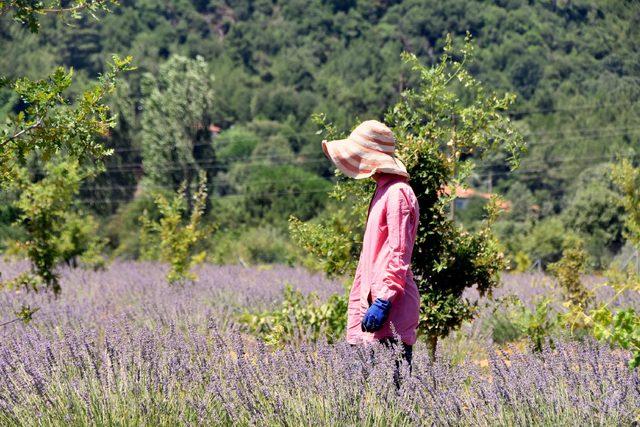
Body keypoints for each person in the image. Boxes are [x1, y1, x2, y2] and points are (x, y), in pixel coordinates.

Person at [322, 120, 420, 368]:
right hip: (370, 305)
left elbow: (399, 254)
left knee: (394, 395)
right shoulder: (381, 191)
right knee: (363, 392)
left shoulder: (398, 194)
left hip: (390, 311)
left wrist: (384, 300)